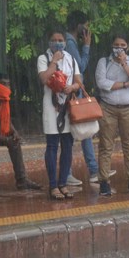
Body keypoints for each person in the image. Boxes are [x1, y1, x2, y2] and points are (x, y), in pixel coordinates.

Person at [94, 33, 129, 196]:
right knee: (106, 145)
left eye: (122, 45)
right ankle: (104, 182)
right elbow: (102, 83)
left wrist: (125, 64)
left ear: (127, 47)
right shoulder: (103, 62)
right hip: (107, 108)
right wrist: (125, 84)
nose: (119, 48)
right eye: (116, 45)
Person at [38, 31, 83, 201]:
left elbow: (79, 81)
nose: (58, 43)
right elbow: (44, 79)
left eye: (60, 40)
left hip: (68, 105)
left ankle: (63, 183)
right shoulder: (44, 58)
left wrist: (72, 88)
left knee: (67, 145)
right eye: (54, 40)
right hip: (51, 105)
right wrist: (54, 61)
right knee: (52, 145)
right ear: (49, 42)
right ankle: (53, 185)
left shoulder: (71, 58)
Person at [63, 10, 103, 185]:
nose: (86, 29)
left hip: (74, 90)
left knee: (85, 129)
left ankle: (94, 170)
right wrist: (86, 46)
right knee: (73, 133)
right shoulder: (70, 42)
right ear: (78, 25)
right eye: (85, 25)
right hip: (72, 92)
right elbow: (80, 66)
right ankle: (68, 173)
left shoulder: (69, 40)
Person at [0, 73, 42, 191]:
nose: (7, 88)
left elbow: (6, 119)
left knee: (15, 142)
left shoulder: (4, 98)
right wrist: (5, 140)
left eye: (9, 85)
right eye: (4, 84)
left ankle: (22, 180)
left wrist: (14, 132)